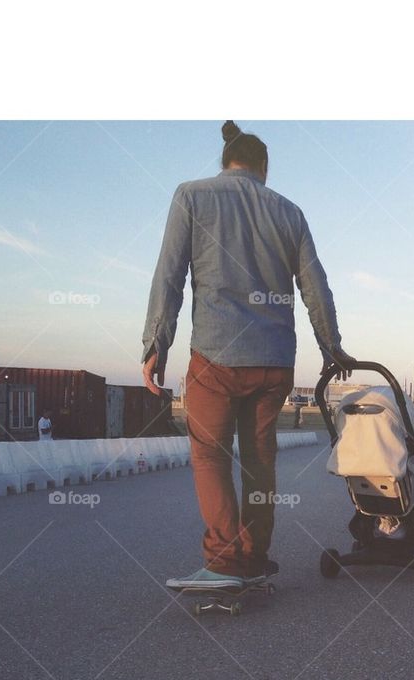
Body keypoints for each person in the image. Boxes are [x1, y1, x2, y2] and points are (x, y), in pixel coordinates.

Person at [143, 121, 353, 590]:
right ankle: (254, 555)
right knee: (259, 461)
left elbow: (169, 275)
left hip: (215, 356)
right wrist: (331, 346)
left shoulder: (191, 196)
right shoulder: (290, 212)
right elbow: (315, 286)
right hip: (275, 362)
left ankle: (224, 559)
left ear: (225, 161)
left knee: (210, 456)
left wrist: (157, 342)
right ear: (264, 167)